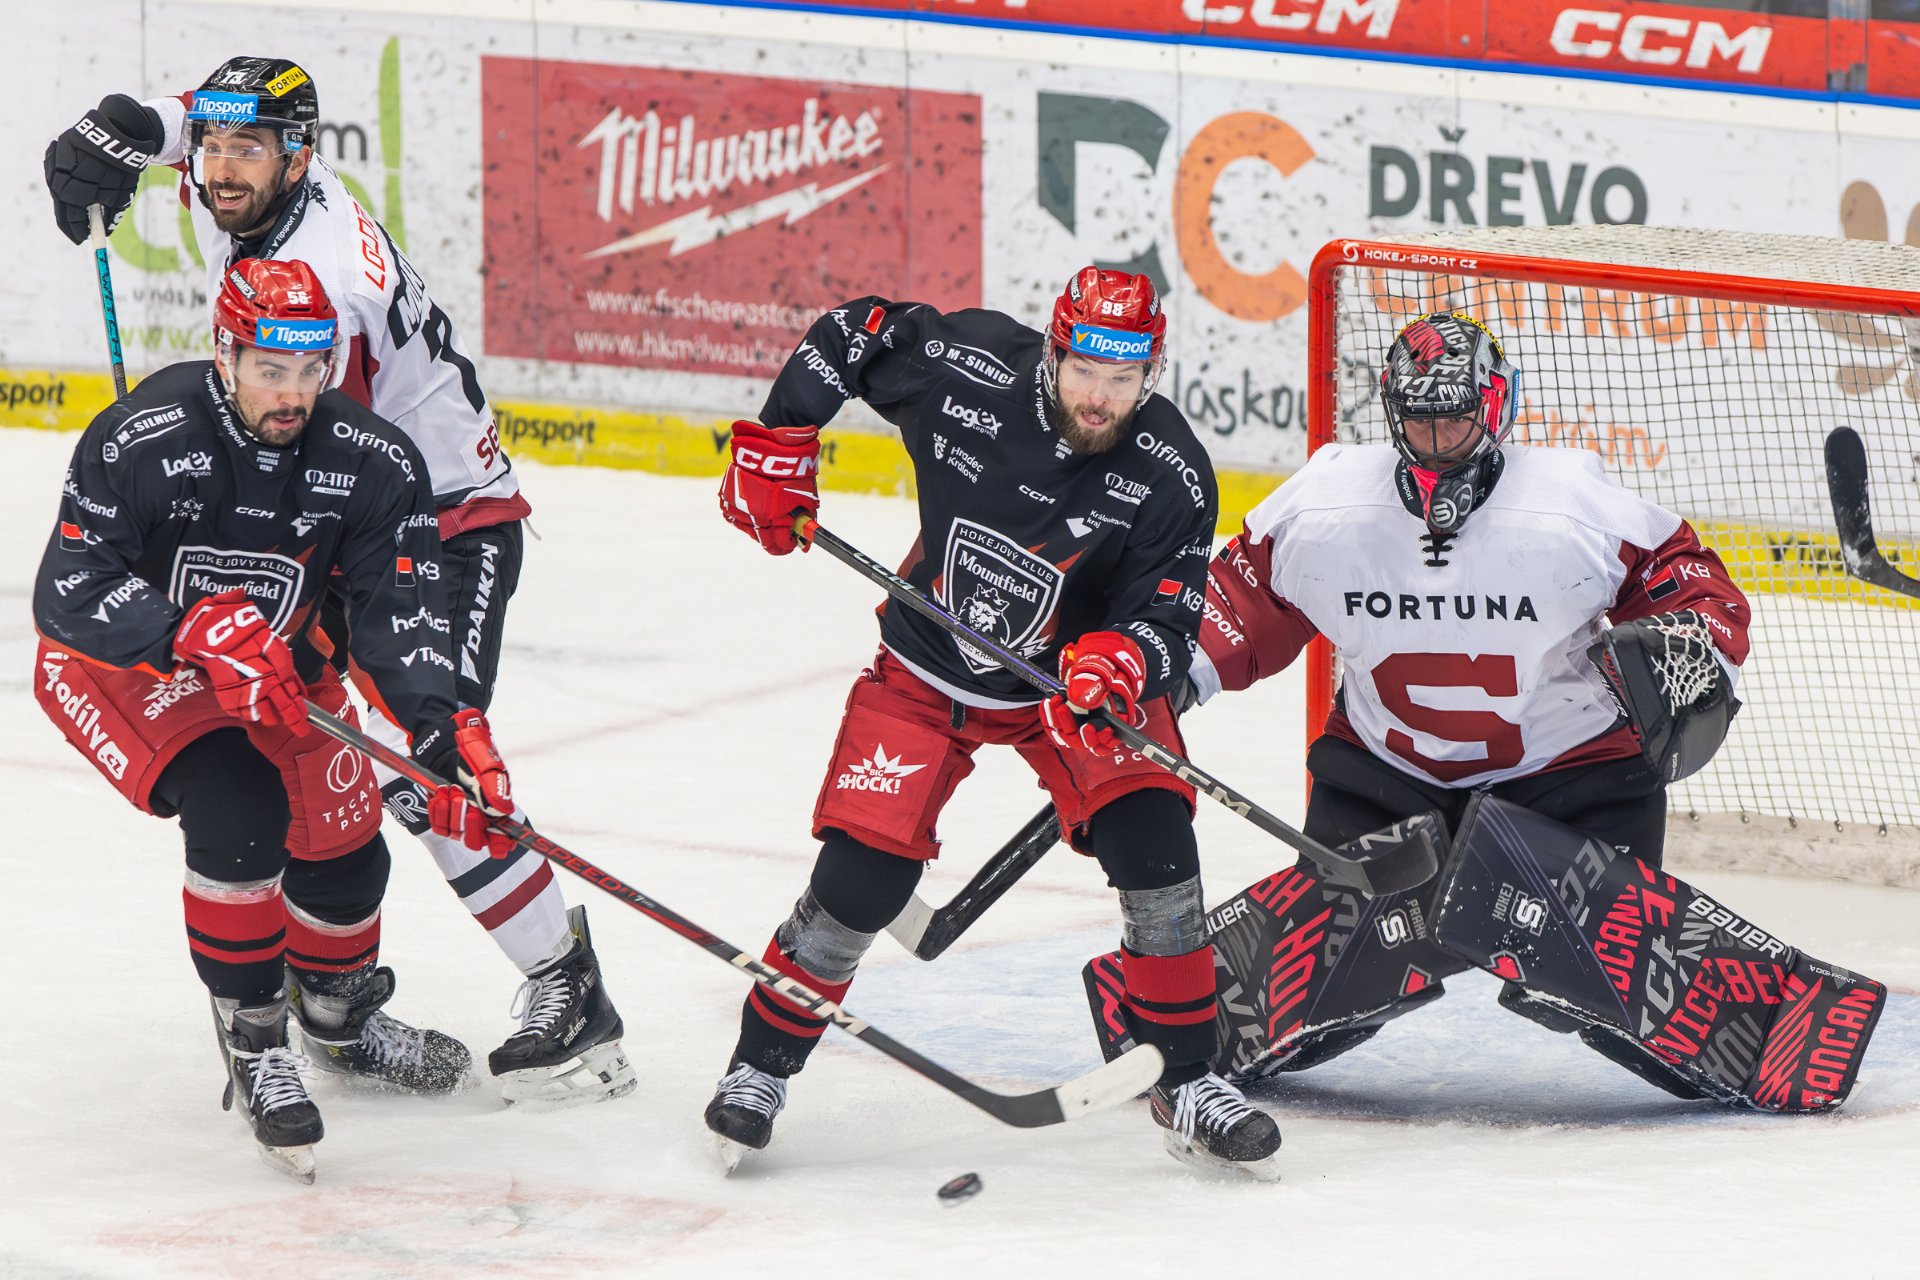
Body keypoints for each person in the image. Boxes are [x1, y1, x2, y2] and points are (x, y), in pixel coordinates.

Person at [43, 56, 632, 1105]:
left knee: (422, 758)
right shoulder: (270, 183)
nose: (220, 170)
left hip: (439, 522)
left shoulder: (332, 290)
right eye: (212, 148)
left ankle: (564, 978)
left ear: (300, 157)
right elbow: (211, 124)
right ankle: (326, 1001)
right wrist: (124, 127)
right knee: (338, 766)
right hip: (358, 512)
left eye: (246, 150)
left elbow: (318, 458)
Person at [707, 267, 1282, 1179]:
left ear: (1152, 373)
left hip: (1070, 694)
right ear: (1054, 352)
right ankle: (760, 1067)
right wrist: (780, 440)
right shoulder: (965, 367)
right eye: (1084, 370)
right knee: (862, 880)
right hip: (925, 671)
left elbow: (1166, 623)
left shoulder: (1172, 472)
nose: (1099, 397)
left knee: (1157, 846)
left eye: (1124, 379)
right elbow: (854, 332)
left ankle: (1187, 1079)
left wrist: (1122, 663)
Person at [31, 259, 532, 1178]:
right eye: (270, 369)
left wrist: (442, 730)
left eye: (311, 369)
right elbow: (68, 591)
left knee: (347, 839)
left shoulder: (374, 460)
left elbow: (400, 615)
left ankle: (338, 1019)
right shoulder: (142, 435)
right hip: (124, 660)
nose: (293, 393)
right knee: (241, 806)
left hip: (271, 664)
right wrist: (185, 628)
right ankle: (256, 1038)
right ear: (225, 354)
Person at [1185, 309, 1752, 1091]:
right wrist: (1168, 670)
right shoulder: (1325, 504)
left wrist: (1690, 645)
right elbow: (1237, 601)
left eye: (1455, 419)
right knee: (1326, 1004)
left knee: (1595, 998)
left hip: (1568, 783)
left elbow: (1691, 583)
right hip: (1385, 779)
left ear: (1495, 406)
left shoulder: (1568, 503)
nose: (1437, 439)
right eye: (1420, 422)